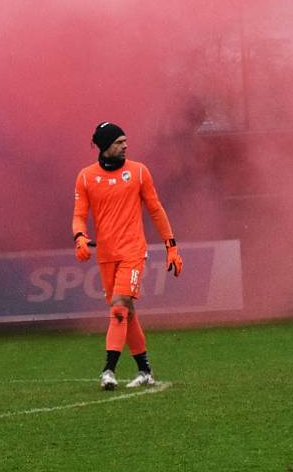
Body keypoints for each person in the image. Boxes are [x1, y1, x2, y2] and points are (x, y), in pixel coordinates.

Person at [72, 121, 183, 390]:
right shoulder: (86, 177)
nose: (125, 146)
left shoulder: (139, 172)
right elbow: (79, 215)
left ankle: (108, 370)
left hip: (133, 251)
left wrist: (171, 247)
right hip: (107, 255)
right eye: (119, 142)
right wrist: (80, 238)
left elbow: (156, 210)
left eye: (125, 141)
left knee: (119, 306)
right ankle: (145, 370)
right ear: (105, 146)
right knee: (126, 313)